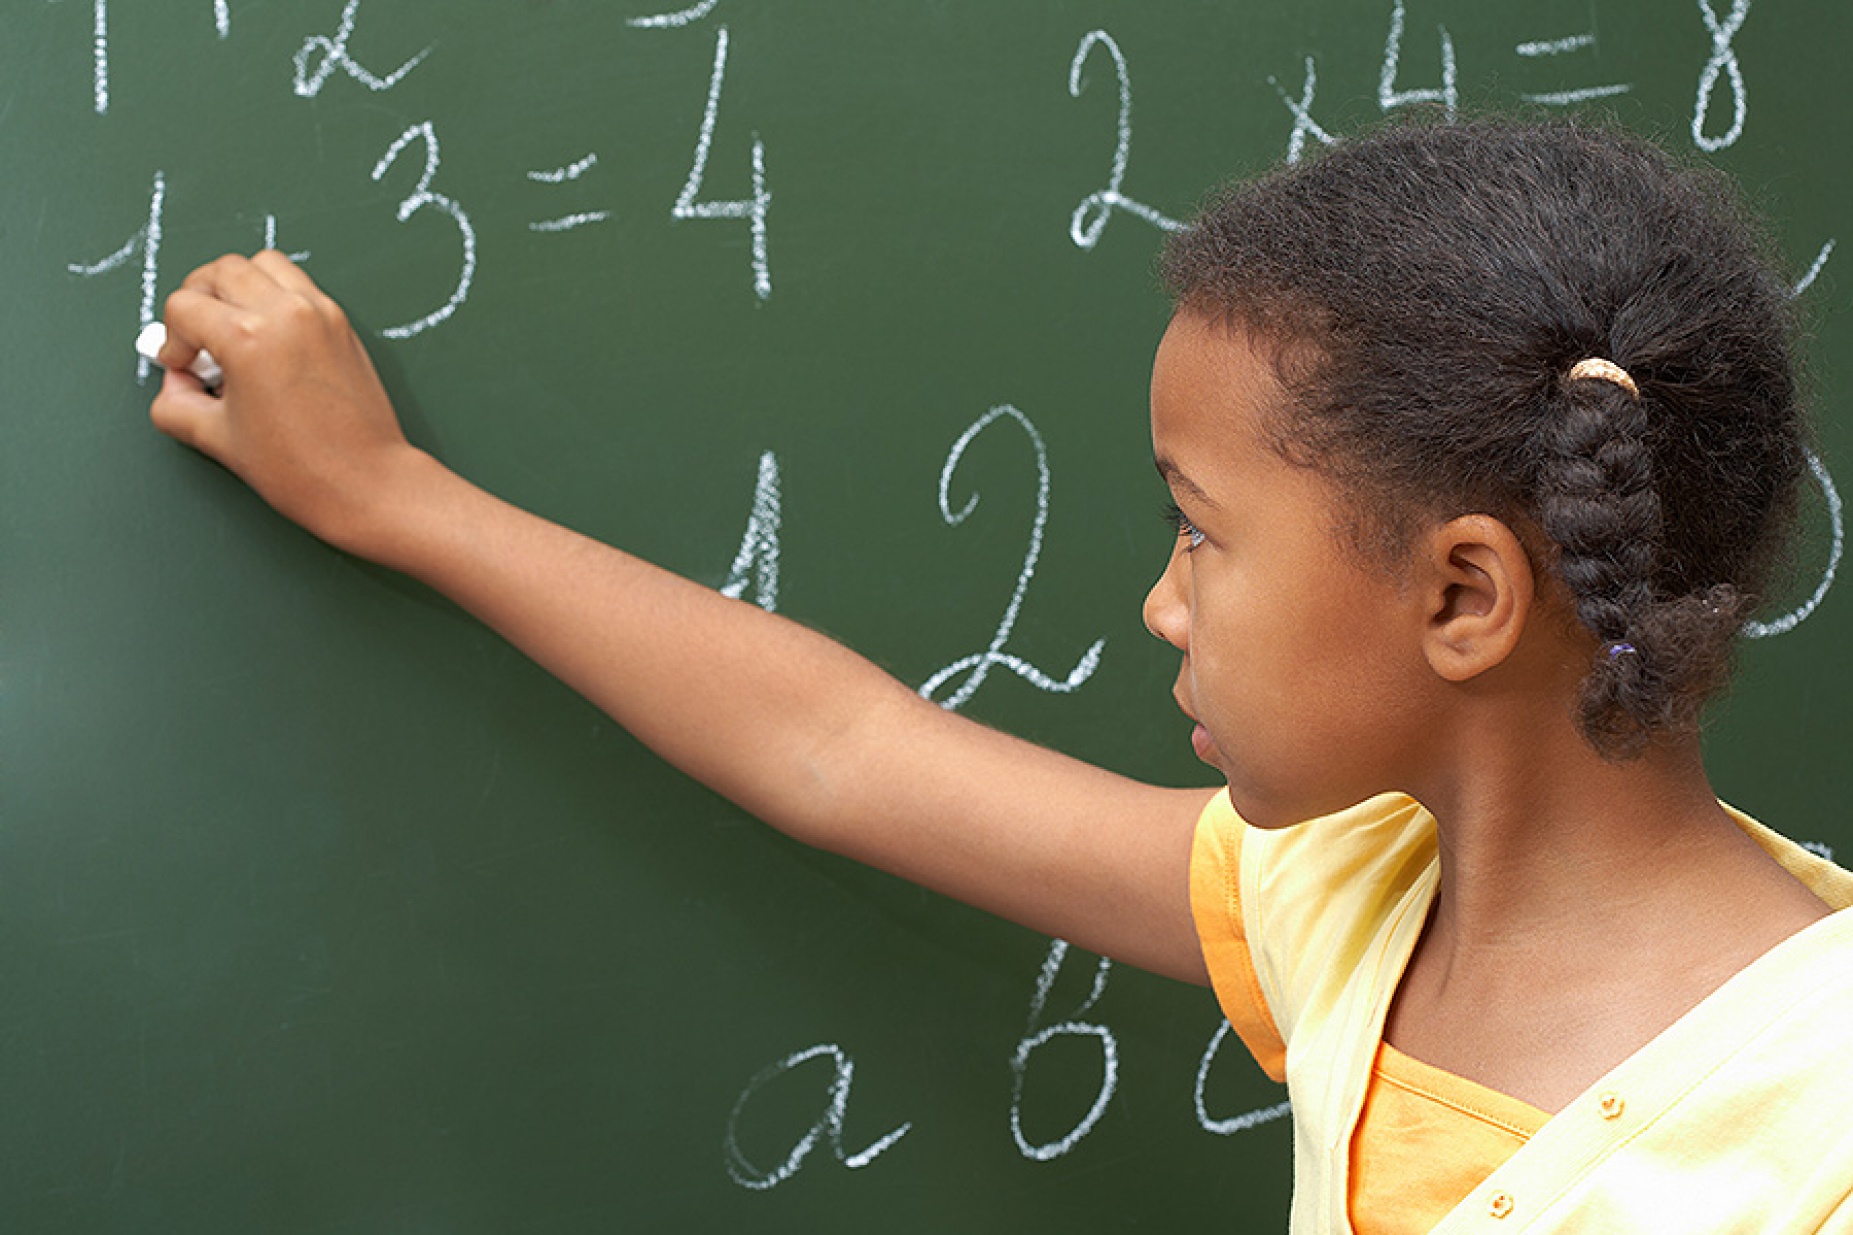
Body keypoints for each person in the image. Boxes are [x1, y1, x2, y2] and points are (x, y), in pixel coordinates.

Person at [147, 118, 1853, 1232]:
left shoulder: (1811, 1117)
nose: (1158, 605)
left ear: (1462, 595)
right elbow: (841, 751)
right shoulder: (1348, 902)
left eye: (1199, 534)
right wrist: (394, 501)